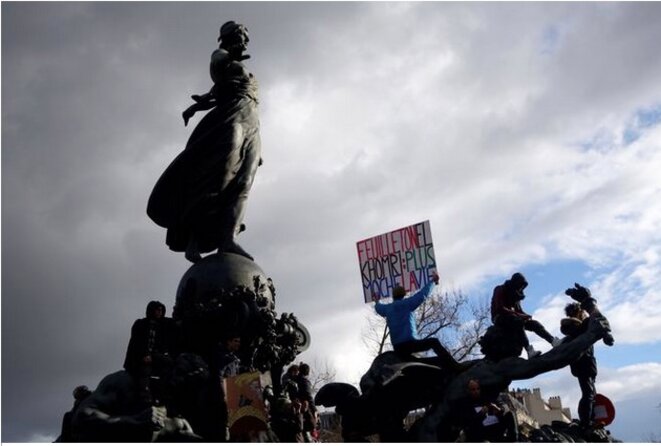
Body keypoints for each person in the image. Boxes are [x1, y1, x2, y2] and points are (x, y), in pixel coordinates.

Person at [147, 21, 262, 262]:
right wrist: (203, 101)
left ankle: (229, 239)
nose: (245, 41)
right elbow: (219, 81)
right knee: (219, 178)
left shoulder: (239, 68)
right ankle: (194, 239)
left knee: (245, 180)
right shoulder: (221, 56)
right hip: (232, 120)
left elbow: (222, 88)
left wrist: (205, 100)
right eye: (241, 36)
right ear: (227, 38)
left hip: (252, 123)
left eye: (246, 37)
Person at [372, 272, 462, 372]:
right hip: (410, 343)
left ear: (393, 296)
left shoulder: (387, 309)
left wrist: (376, 301)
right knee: (434, 342)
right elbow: (422, 294)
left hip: (398, 347)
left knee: (418, 363)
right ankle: (455, 366)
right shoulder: (407, 303)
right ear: (403, 294)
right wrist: (433, 282)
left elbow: (378, 308)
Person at [490, 272, 560, 359]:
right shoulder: (500, 289)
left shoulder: (515, 295)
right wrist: (520, 316)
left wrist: (526, 316)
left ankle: (553, 341)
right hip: (499, 317)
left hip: (513, 317)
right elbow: (500, 308)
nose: (521, 288)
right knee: (517, 322)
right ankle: (529, 350)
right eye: (520, 285)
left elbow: (519, 310)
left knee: (534, 324)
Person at [124, 301, 178, 403]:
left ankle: (165, 395)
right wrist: (144, 355)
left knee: (171, 364)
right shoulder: (140, 324)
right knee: (145, 370)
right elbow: (136, 343)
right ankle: (145, 398)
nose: (160, 312)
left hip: (155, 355)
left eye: (161, 310)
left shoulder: (163, 325)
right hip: (139, 357)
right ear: (152, 311)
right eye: (158, 310)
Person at [296, 363, 318, 442]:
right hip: (303, 408)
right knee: (307, 428)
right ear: (307, 372)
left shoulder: (293, 378)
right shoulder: (304, 381)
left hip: (293, 406)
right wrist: (314, 410)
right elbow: (309, 396)